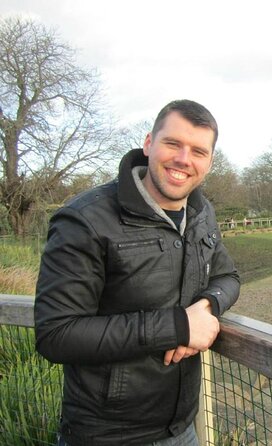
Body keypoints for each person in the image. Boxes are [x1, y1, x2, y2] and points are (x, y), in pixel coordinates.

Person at [34, 99, 240, 446]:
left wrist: (205, 308)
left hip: (183, 429)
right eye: (173, 143)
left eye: (198, 151)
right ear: (148, 143)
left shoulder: (202, 213)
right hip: (107, 436)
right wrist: (176, 327)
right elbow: (56, 334)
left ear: (209, 162)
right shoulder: (85, 219)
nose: (183, 159)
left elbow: (228, 277)